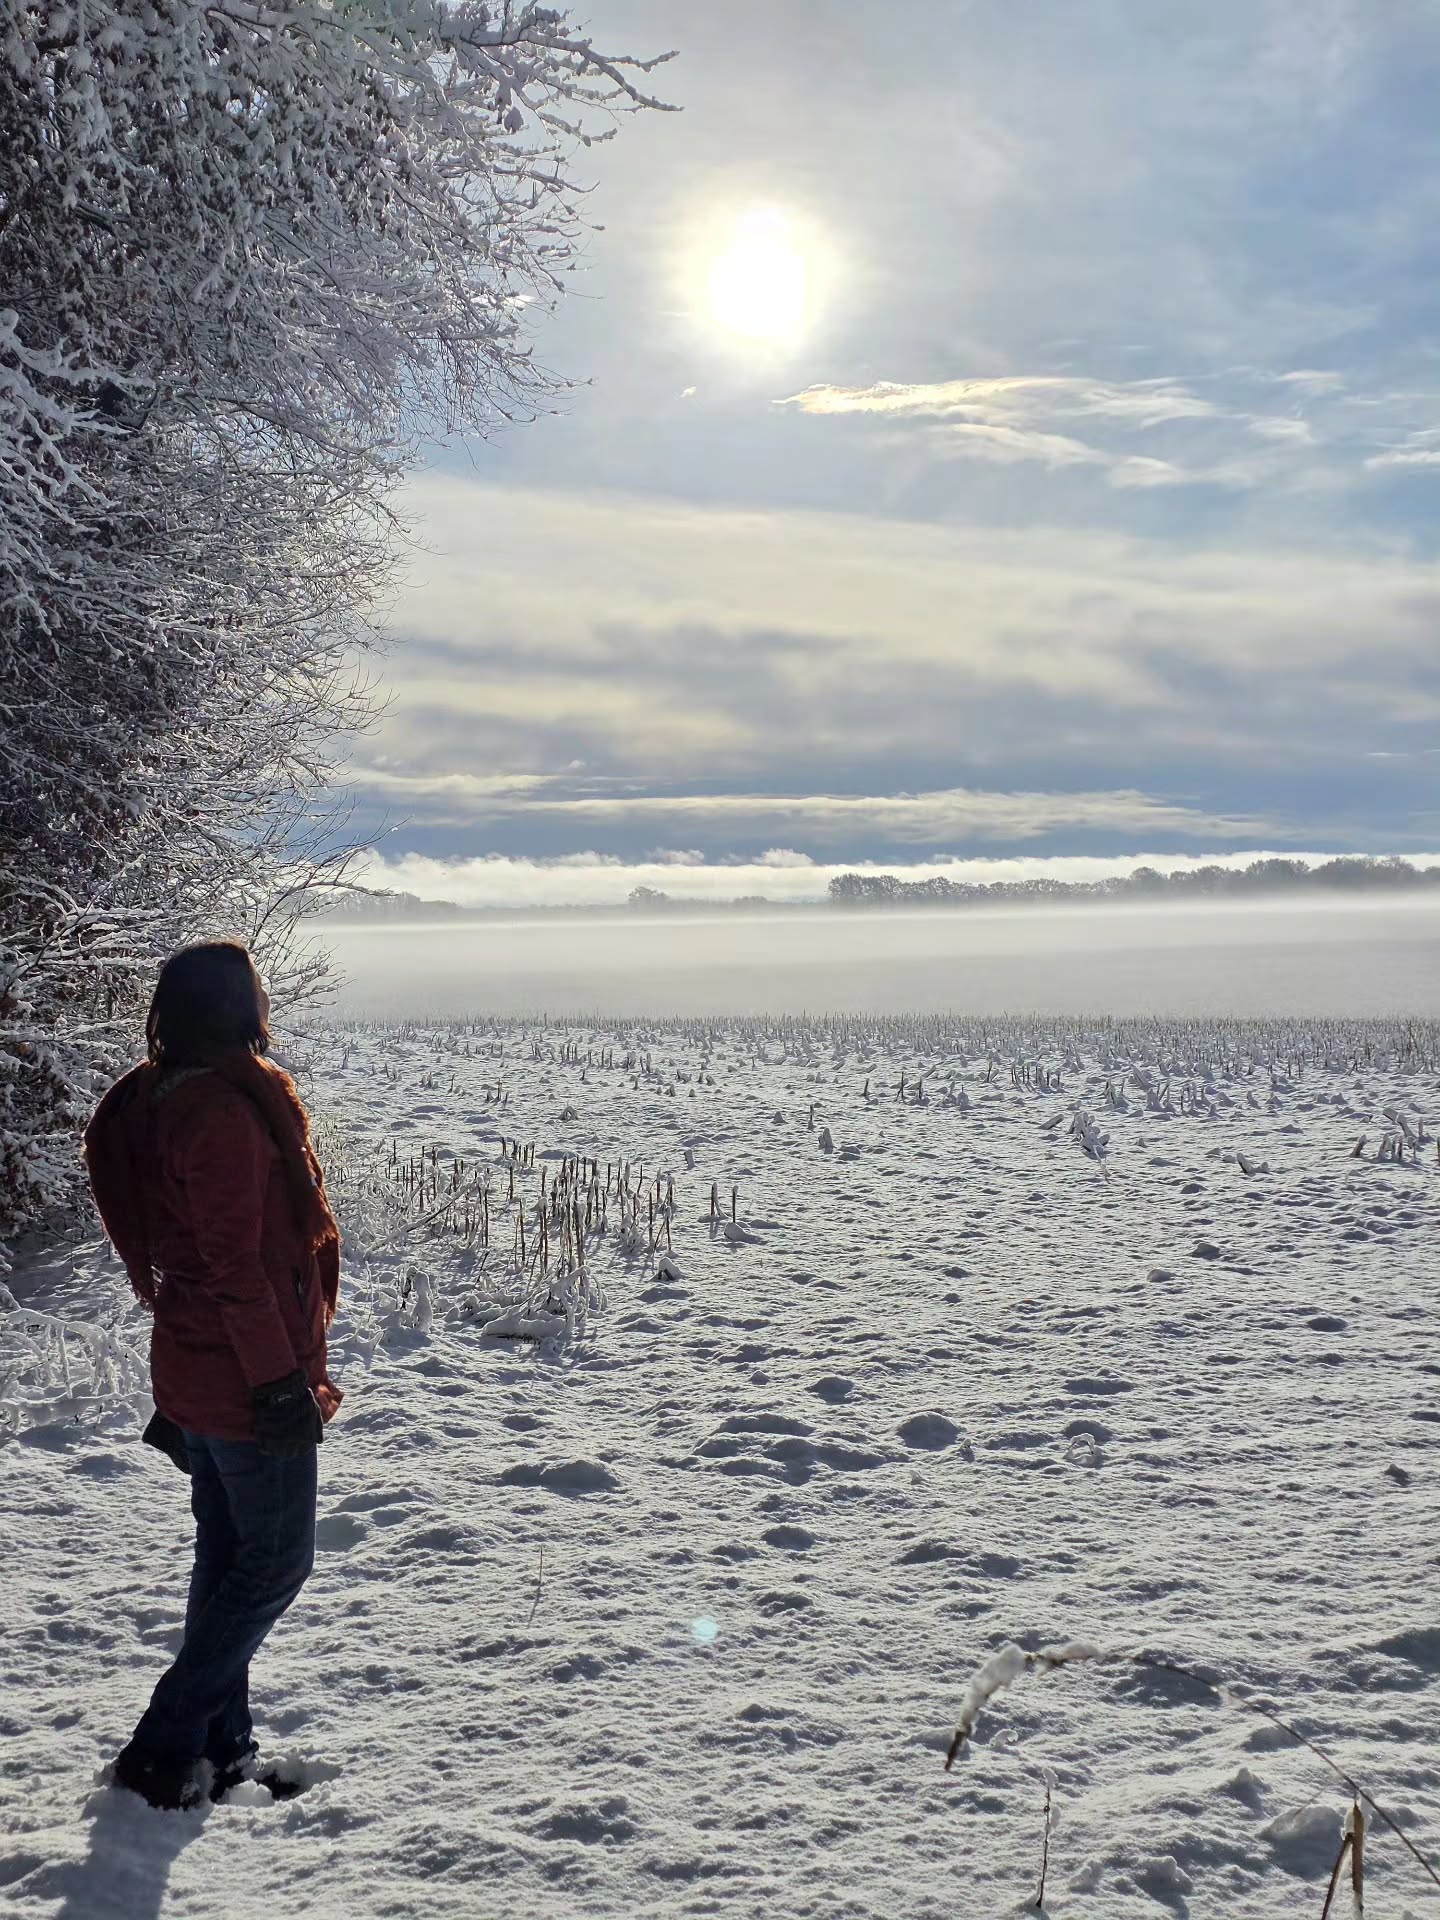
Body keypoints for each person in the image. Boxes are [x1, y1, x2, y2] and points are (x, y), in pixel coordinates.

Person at [83, 941, 343, 1811]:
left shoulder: (153, 1098)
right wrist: (280, 1384)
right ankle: (162, 1747)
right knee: (276, 1563)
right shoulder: (221, 1114)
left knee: (229, 1555)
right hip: (239, 1378)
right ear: (241, 1006)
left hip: (195, 1364)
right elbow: (236, 1265)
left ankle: (221, 1748)